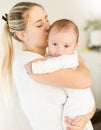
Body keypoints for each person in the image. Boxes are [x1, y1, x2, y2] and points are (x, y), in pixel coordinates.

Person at [0, 1, 96, 130]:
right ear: (22, 35)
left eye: (47, 19)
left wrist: (84, 118)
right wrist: (79, 61)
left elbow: (84, 96)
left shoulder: (49, 57)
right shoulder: (29, 64)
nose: (49, 26)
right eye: (39, 25)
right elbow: (84, 81)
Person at [25, 19, 95, 130]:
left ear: (75, 46)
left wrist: (34, 67)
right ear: (48, 41)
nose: (60, 50)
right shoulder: (63, 55)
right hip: (85, 100)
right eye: (54, 44)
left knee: (68, 123)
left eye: (66, 46)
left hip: (79, 101)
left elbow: (50, 65)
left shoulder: (66, 59)